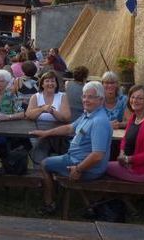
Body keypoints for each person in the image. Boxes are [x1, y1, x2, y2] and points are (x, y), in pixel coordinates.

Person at [30, 81, 112, 215]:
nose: (86, 100)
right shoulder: (89, 114)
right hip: (75, 160)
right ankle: (56, 195)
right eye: (84, 96)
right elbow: (69, 128)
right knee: (50, 159)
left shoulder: (99, 121)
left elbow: (97, 155)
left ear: (101, 99)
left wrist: (79, 169)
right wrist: (46, 133)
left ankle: (49, 204)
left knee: (44, 164)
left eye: (90, 97)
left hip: (85, 167)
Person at [106, 85, 144, 182]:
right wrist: (122, 153)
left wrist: (128, 159)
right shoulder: (133, 117)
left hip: (139, 171)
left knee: (101, 168)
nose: (135, 100)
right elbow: (124, 139)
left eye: (140, 98)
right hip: (127, 165)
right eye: (132, 97)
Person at [26, 70, 72, 166]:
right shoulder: (35, 97)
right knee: (39, 152)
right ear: (42, 84)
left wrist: (52, 111)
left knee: (67, 152)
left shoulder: (62, 96)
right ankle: (39, 174)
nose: (50, 83)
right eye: (47, 81)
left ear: (56, 84)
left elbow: (66, 118)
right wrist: (42, 109)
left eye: (52, 81)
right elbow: (28, 115)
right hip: (39, 134)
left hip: (58, 135)